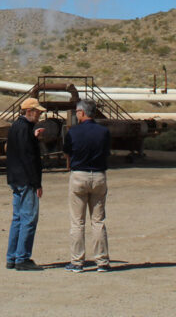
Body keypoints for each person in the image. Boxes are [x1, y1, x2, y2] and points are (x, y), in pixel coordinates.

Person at [62, 99, 111, 272]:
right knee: (98, 221)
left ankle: (77, 261)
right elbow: (107, 152)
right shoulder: (103, 132)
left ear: (82, 113)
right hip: (98, 175)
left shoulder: (73, 132)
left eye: (77, 111)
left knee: (78, 222)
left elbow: (67, 151)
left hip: (79, 175)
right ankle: (102, 261)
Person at [6, 97, 46, 270]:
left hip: (15, 178)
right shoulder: (24, 128)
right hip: (26, 180)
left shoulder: (17, 126)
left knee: (18, 218)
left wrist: (34, 137)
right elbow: (28, 157)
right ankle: (22, 258)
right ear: (29, 111)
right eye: (37, 112)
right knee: (29, 218)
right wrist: (37, 183)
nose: (39, 115)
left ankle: (12, 257)